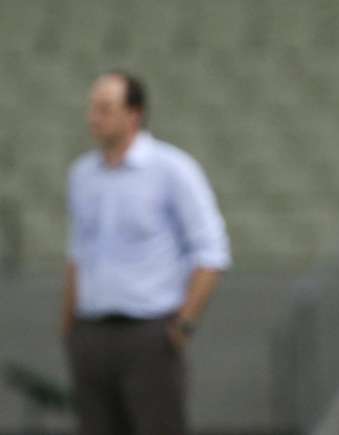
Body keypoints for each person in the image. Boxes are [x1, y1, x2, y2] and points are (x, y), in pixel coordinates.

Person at [62, 72, 231, 435]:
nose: (94, 117)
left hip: (149, 333)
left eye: (105, 108)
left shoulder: (171, 170)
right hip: (92, 333)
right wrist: (70, 326)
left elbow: (211, 252)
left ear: (134, 115)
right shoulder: (82, 176)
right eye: (92, 108)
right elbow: (78, 253)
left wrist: (183, 325)